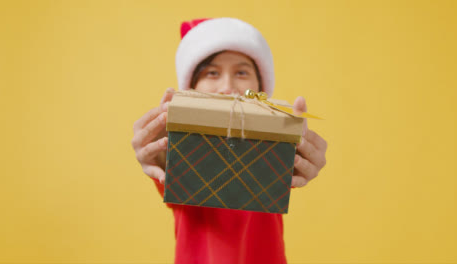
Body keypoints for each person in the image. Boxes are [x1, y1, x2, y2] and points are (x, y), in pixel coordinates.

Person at [131, 17, 327, 264]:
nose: (228, 87)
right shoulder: (180, 151)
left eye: (242, 72)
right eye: (212, 73)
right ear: (191, 88)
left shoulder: (271, 149)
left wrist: (299, 155)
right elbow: (164, 169)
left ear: (260, 88)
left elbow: (288, 172)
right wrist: (158, 151)